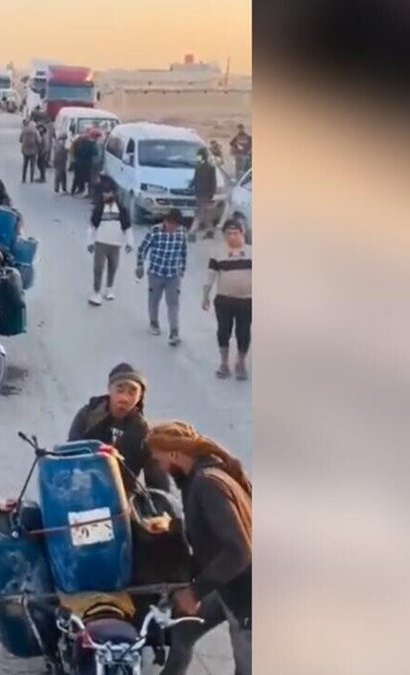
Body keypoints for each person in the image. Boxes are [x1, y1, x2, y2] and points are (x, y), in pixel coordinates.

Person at [145, 421, 252, 675]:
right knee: (184, 631)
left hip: (246, 596)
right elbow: (213, 533)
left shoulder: (208, 484)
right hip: (226, 584)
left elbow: (239, 552)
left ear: (173, 454)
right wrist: (174, 527)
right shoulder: (198, 479)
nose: (159, 467)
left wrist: (195, 592)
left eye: (158, 459)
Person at [67, 364, 171, 492]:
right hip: (83, 490)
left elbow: (159, 486)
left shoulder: (145, 432)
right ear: (109, 389)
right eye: (120, 390)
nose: (124, 398)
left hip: (122, 497)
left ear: (140, 396)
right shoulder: (87, 416)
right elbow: (69, 455)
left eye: (132, 392)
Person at [203, 219, 252, 380]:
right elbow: (210, 276)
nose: (232, 237)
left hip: (246, 300)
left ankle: (241, 363)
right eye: (229, 234)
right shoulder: (218, 253)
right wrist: (205, 296)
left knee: (243, 333)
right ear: (224, 235)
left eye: (235, 233)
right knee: (223, 331)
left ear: (241, 233)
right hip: (224, 300)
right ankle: (224, 363)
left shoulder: (252, 252)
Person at [136, 210, 189, 345]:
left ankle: (174, 331)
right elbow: (142, 249)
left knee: (173, 303)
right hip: (156, 272)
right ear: (165, 221)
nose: (172, 228)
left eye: (175, 225)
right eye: (170, 224)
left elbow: (183, 252)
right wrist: (140, 265)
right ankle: (154, 322)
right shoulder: (155, 231)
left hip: (173, 275)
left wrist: (182, 269)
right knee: (154, 300)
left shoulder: (181, 233)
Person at [87, 174, 134, 305]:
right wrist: (90, 242)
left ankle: (109, 288)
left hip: (115, 244)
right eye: (103, 193)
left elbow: (127, 227)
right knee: (98, 268)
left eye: (107, 193)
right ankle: (96, 292)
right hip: (101, 243)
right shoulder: (99, 209)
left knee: (113, 267)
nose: (105, 195)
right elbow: (92, 226)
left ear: (113, 193)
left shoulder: (121, 210)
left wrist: (129, 242)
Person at [189, 148, 219, 240]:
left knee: (200, 213)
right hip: (202, 193)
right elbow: (196, 179)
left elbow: (213, 182)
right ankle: (210, 231)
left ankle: (192, 232)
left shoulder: (207, 167)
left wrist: (212, 194)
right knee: (206, 214)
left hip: (204, 194)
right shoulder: (201, 167)